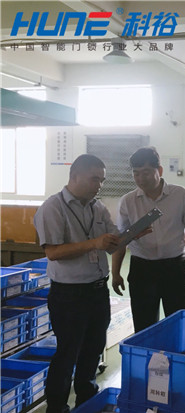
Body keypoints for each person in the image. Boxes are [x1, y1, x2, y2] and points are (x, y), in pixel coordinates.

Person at [33, 154, 120, 413]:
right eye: (95, 179)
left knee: (93, 350)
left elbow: (111, 240)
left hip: (98, 291)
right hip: (69, 295)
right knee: (67, 353)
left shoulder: (98, 208)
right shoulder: (53, 208)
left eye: (102, 181)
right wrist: (94, 243)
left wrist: (128, 237)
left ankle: (87, 402)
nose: (99, 185)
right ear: (75, 176)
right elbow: (53, 252)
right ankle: (57, 406)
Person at [112, 147, 185, 333]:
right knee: (144, 325)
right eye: (136, 173)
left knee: (180, 322)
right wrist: (116, 273)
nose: (140, 178)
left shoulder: (180, 195)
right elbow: (121, 239)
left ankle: (179, 352)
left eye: (146, 172)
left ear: (159, 171)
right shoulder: (128, 201)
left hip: (175, 267)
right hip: (142, 269)